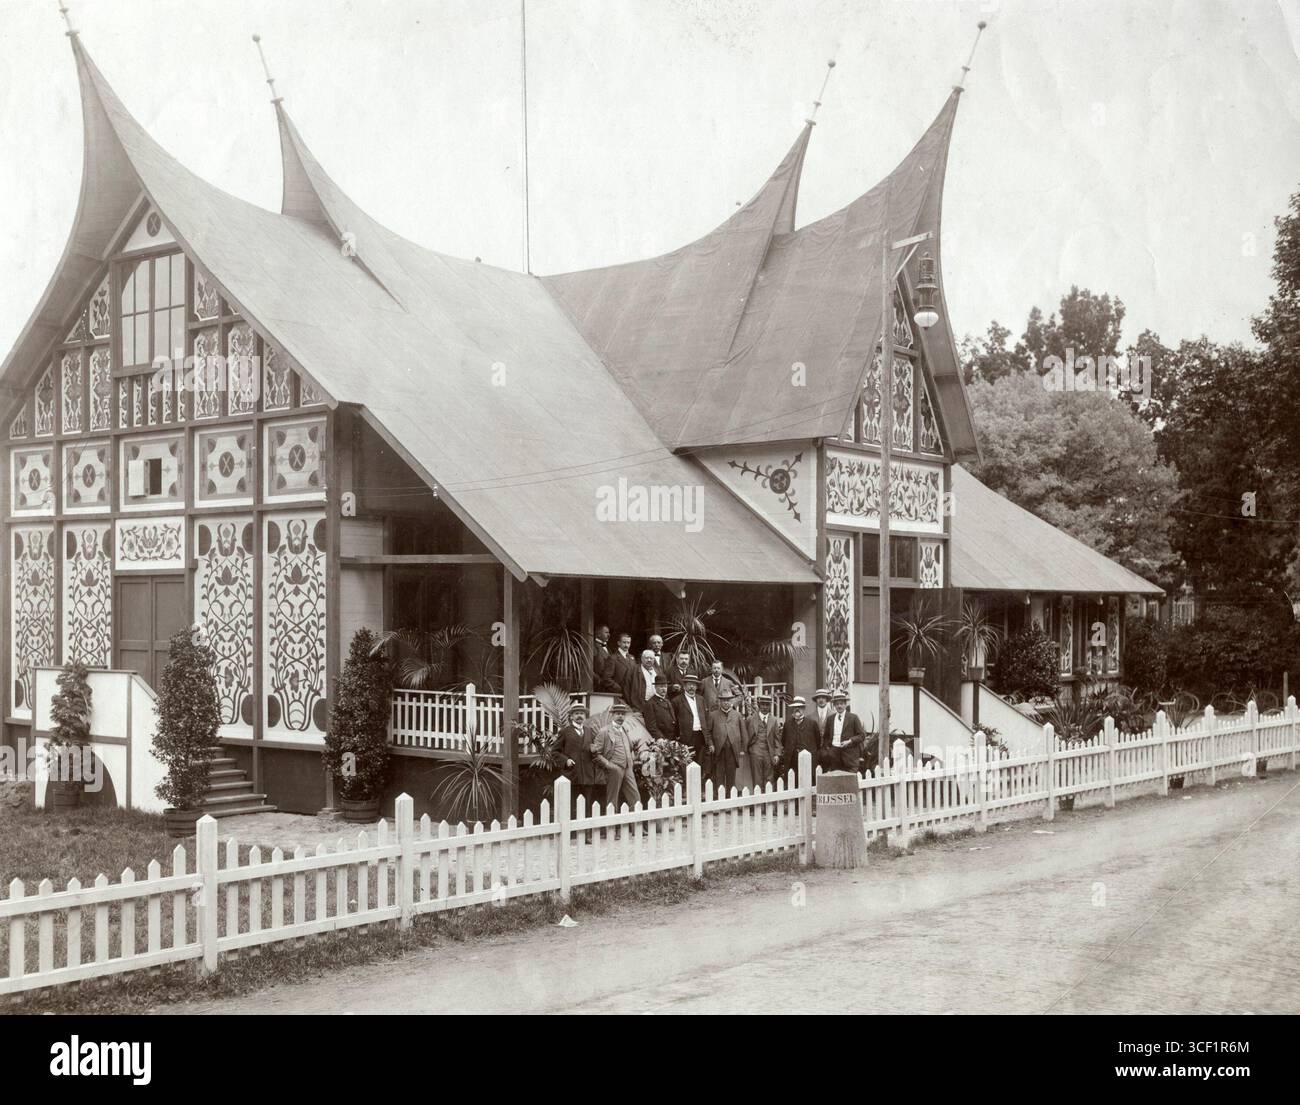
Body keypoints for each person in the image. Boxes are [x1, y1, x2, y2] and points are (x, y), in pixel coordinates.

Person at [591, 700, 641, 812]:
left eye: (623, 714)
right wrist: (609, 765)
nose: (620, 716)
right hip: (614, 769)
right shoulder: (604, 732)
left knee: (635, 798)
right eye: (618, 714)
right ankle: (611, 828)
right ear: (612, 715)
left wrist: (631, 761)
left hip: (628, 768)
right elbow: (595, 754)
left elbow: (629, 748)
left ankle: (636, 826)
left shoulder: (624, 730)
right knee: (612, 800)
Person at [556, 701, 603, 812]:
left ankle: (587, 829)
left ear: (585, 716)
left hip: (588, 775)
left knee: (587, 806)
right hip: (572, 774)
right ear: (571, 716)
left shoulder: (589, 731)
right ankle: (571, 829)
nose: (579, 716)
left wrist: (594, 751)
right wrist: (566, 760)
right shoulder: (565, 732)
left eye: (582, 713)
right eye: (576, 713)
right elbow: (555, 752)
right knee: (572, 807)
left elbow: (594, 752)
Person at [705, 685, 746, 794]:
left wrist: (742, 749)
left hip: (732, 751)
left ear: (731, 701)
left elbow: (743, 733)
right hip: (719, 751)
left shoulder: (737, 715)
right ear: (720, 701)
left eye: (728, 700)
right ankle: (720, 801)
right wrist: (711, 744)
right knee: (719, 777)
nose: (726, 703)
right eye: (723, 700)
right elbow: (708, 732)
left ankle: (730, 800)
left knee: (731, 776)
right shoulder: (713, 715)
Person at [822, 690, 866, 773]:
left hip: (849, 755)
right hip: (834, 755)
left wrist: (849, 741)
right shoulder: (830, 719)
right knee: (836, 779)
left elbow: (862, 735)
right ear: (834, 705)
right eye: (837, 704)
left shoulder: (853, 718)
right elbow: (826, 736)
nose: (839, 706)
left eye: (841, 703)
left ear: (845, 704)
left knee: (849, 780)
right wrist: (829, 750)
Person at [675, 673, 709, 777]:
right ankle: (687, 788)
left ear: (697, 686)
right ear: (684, 686)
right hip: (686, 737)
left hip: (700, 736)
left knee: (699, 763)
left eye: (694, 685)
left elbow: (706, 718)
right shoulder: (677, 701)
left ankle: (698, 788)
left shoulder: (701, 699)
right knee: (687, 763)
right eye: (689, 684)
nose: (691, 687)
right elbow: (675, 721)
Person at [746, 694, 782, 790]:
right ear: (758, 705)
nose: (765, 707)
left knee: (769, 778)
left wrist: (777, 754)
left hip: (768, 752)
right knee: (757, 779)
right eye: (763, 704)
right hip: (755, 751)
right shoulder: (751, 719)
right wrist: (747, 750)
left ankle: (768, 802)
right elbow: (746, 736)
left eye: (767, 705)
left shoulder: (774, 720)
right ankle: (758, 803)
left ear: (770, 706)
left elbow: (777, 739)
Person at [780, 695, 819, 782]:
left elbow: (818, 741)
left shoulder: (812, 723)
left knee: (808, 782)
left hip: (807, 758)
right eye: (795, 707)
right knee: (792, 782)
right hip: (791, 759)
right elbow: (783, 740)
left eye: (800, 707)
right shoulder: (787, 724)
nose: (797, 709)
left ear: (804, 708)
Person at [643, 673, 677, 743]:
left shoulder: (667, 701)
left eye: (665, 686)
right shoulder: (650, 703)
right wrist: (660, 737)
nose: (664, 689)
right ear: (655, 687)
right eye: (661, 686)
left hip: (672, 738)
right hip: (662, 739)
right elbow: (651, 725)